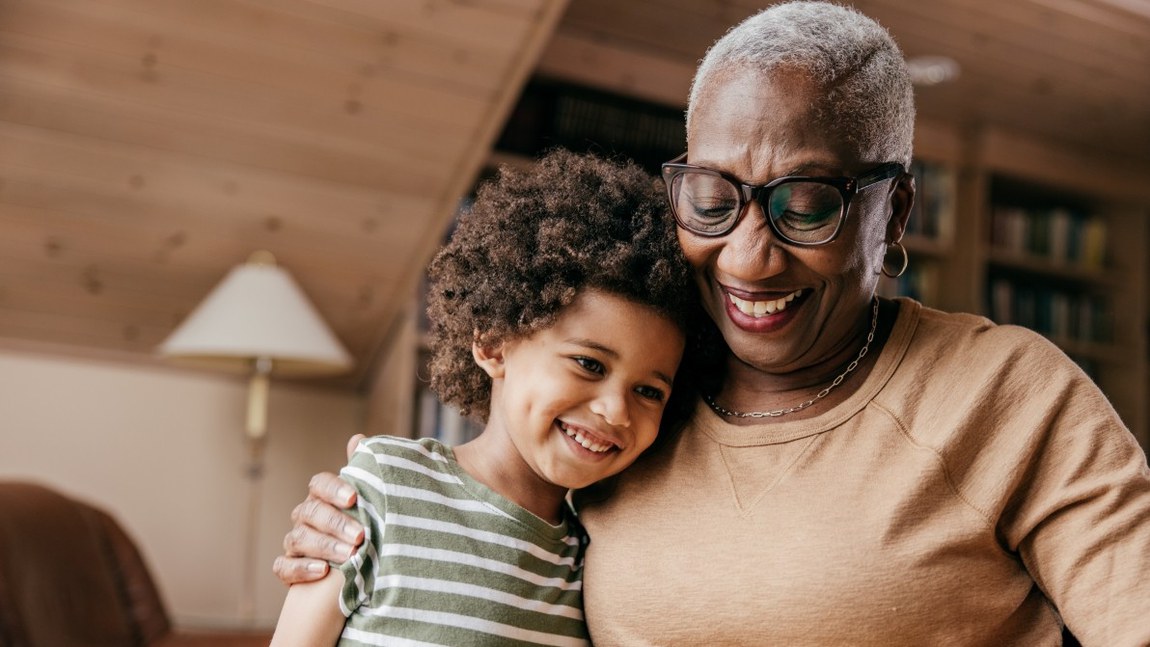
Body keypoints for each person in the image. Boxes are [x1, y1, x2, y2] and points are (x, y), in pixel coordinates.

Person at [274, 2, 1150, 645]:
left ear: (895, 213)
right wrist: (370, 521)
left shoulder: (1010, 393)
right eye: (713, 197)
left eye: (808, 204)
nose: (749, 257)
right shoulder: (646, 403)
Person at [268, 149, 695, 646]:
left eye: (648, 391)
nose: (616, 410)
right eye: (589, 364)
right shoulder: (387, 485)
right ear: (493, 344)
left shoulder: (592, 561)